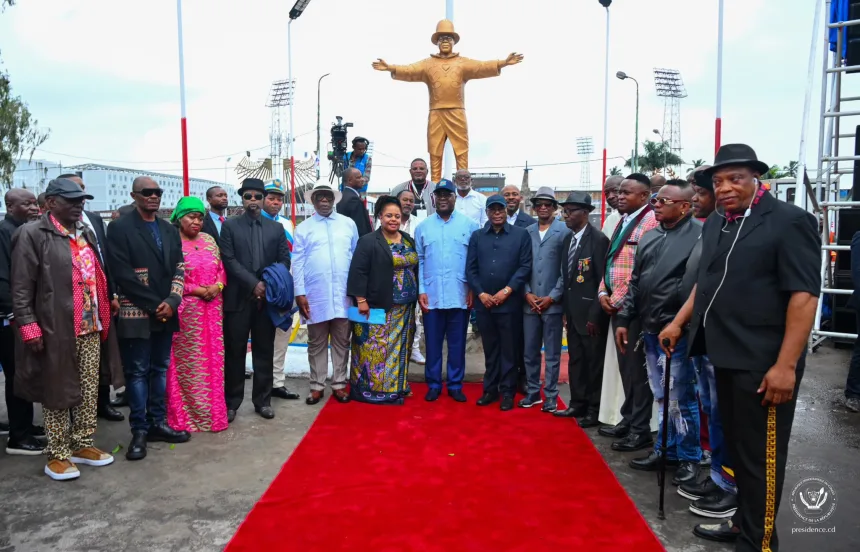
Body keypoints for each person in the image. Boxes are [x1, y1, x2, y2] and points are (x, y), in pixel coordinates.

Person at [660, 144, 820, 549]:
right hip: (720, 354)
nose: (727, 188)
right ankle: (745, 523)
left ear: (756, 178)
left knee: (760, 460)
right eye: (719, 182)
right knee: (733, 451)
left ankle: (760, 541)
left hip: (763, 362)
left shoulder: (789, 222)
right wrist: (678, 323)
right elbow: (706, 284)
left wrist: (785, 365)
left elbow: (804, 296)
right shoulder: (718, 222)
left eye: (737, 179)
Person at [12, 179, 120, 480]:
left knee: (88, 387)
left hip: (90, 323)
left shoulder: (84, 232)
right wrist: (29, 325)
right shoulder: (32, 234)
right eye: (71, 200)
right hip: (54, 327)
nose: (78, 205)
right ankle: (57, 454)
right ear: (51, 203)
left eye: (81, 200)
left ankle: (82, 444)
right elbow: (21, 287)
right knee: (56, 390)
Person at [615, 180, 702, 486]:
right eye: (655, 200)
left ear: (684, 206)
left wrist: (678, 323)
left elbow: (695, 286)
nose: (657, 205)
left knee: (681, 397)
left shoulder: (699, 235)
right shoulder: (650, 236)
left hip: (677, 329)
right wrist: (625, 317)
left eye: (664, 201)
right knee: (661, 395)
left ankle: (689, 456)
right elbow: (636, 281)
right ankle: (664, 449)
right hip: (650, 328)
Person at [371, 19, 523, 182]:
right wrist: (391, 67)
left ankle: (463, 181)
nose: (445, 42)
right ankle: (435, 184)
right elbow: (410, 70)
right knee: (435, 150)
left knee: (462, 149)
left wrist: (503, 63)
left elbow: (481, 67)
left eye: (448, 38)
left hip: (457, 111)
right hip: (436, 112)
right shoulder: (428, 64)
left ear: (453, 42)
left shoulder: (462, 63)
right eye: (441, 39)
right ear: (436, 42)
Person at [107, 176, 190, 461]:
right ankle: (139, 430)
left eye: (158, 192)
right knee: (138, 372)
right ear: (135, 195)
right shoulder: (119, 228)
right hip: (136, 313)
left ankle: (157, 423)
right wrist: (157, 304)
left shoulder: (168, 229)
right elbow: (122, 274)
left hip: (166, 311)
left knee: (160, 368)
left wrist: (173, 300)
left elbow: (180, 266)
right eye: (147, 192)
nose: (154, 196)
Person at [678, 164, 739, 520]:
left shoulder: (734, 229)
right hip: (699, 335)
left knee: (723, 414)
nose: (695, 199)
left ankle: (729, 484)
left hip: (726, 340)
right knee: (711, 410)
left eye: (700, 193)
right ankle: (718, 476)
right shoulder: (713, 227)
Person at [597, 173, 658, 452]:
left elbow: (641, 271)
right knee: (626, 370)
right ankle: (629, 417)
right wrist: (602, 292)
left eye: (626, 193)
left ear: (644, 196)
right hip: (616, 304)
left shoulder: (650, 223)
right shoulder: (623, 220)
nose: (619, 197)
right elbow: (611, 263)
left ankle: (640, 429)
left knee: (637, 371)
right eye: (618, 192)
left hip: (634, 308)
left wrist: (617, 298)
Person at [220, 178, 291, 421]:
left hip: (266, 301)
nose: (253, 200)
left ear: (263, 199)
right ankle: (232, 403)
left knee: (264, 351)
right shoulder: (230, 226)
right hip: (238, 299)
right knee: (235, 352)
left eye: (257, 196)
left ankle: (263, 401)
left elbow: (284, 261)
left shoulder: (277, 229)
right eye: (248, 196)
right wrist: (254, 284)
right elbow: (228, 260)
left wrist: (267, 285)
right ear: (242, 198)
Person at [58, 173, 125, 423]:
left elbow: (104, 260)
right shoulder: (47, 229)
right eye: (75, 192)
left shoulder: (94, 220)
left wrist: (112, 294)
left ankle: (101, 405)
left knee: (100, 360)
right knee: (71, 367)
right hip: (67, 309)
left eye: (83, 191)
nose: (81, 198)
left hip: (99, 303)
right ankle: (71, 417)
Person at [347, 196, 419, 405]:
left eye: (397, 216)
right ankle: (372, 391)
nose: (393, 220)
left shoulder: (407, 239)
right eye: (389, 215)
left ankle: (398, 386)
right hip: (378, 305)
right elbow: (358, 272)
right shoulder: (369, 240)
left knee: (400, 349)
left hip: (405, 308)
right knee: (374, 349)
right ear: (380, 216)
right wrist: (361, 299)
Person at [165, 197, 228, 433]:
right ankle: (185, 417)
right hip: (186, 310)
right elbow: (171, 275)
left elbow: (222, 269)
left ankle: (213, 416)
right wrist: (196, 290)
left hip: (212, 310)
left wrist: (218, 286)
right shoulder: (172, 242)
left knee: (213, 362)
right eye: (191, 216)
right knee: (188, 365)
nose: (196, 221)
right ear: (179, 218)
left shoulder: (210, 240)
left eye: (200, 217)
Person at [293, 182, 358, 405]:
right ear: (312, 200)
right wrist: (299, 292)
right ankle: (316, 386)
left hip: (343, 294)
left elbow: (356, 257)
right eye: (319, 196)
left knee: (342, 341)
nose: (324, 200)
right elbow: (298, 262)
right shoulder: (303, 227)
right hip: (315, 295)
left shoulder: (348, 224)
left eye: (327, 196)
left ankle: (339, 384)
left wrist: (358, 293)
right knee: (316, 342)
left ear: (334, 199)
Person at [414, 180, 479, 402]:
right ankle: (433, 384)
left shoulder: (470, 226)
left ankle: (454, 384)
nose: (442, 198)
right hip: (431, 296)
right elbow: (420, 260)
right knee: (432, 344)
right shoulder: (423, 227)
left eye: (447, 195)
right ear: (433, 198)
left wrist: (471, 288)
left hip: (459, 295)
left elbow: (474, 261)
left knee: (457, 343)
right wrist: (421, 289)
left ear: (454, 198)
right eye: (439, 195)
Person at [466, 194, 532, 411]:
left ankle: (507, 392)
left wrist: (507, 291)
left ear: (506, 211)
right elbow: (471, 269)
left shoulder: (521, 235)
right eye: (492, 209)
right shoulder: (477, 236)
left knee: (509, 351)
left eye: (500, 209)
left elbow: (524, 267)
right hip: (484, 304)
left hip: (509, 303)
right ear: (487, 212)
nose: (496, 213)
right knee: (490, 350)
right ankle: (490, 390)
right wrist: (481, 293)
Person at [555, 191, 610, 428]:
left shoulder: (598, 240)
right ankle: (577, 403)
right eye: (565, 211)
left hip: (591, 316)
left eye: (571, 211)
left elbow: (602, 281)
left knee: (593, 364)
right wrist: (566, 312)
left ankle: (594, 408)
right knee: (576, 361)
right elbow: (568, 281)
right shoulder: (568, 239)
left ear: (586, 213)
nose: (566, 215)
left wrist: (595, 315)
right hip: (573, 314)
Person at [0, 188, 44, 455]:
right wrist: (15, 314)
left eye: (33, 203)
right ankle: (18, 436)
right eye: (26, 204)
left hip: (22, 314)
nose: (33, 207)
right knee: (17, 375)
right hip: (11, 318)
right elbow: (5, 280)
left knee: (25, 373)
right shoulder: (6, 232)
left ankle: (25, 425)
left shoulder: (25, 231)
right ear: (9, 206)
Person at [520, 187, 569, 412]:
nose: (542, 208)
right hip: (529, 303)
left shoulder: (564, 231)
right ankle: (532, 392)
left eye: (547, 204)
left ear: (554, 207)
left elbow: (565, 269)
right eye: (538, 204)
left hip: (552, 304)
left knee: (552, 354)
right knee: (529, 352)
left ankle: (550, 394)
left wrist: (553, 296)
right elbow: (522, 266)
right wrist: (527, 292)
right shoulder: (526, 232)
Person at [261, 179, 300, 401]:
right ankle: (263, 383)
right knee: (262, 337)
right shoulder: (254, 222)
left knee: (282, 336)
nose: (275, 202)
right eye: (271, 197)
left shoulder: (287, 224)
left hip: (285, 289)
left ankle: (277, 382)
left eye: (279, 199)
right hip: (262, 289)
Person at [376, 189, 425, 364]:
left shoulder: (419, 224)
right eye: (404, 199)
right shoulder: (379, 227)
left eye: (411, 200)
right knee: (385, 333)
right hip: (385, 291)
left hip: (409, 290)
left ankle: (414, 351)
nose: (408, 203)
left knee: (413, 324)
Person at [501, 183, 537, 394]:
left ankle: (523, 377)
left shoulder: (530, 223)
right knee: (505, 337)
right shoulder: (493, 220)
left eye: (515, 194)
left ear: (521, 198)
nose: (511, 198)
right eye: (507, 195)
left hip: (523, 287)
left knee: (523, 337)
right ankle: (504, 376)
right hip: (500, 288)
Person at [597, 175, 626, 427]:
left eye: (618, 190)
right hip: (609, 302)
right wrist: (603, 293)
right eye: (608, 192)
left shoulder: (647, 220)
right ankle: (612, 414)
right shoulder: (611, 221)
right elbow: (605, 264)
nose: (613, 196)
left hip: (629, 305)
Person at [337, 167, 373, 237]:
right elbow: (360, 227)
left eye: (361, 177)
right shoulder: (353, 199)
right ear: (350, 180)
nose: (362, 180)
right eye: (358, 178)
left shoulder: (342, 196)